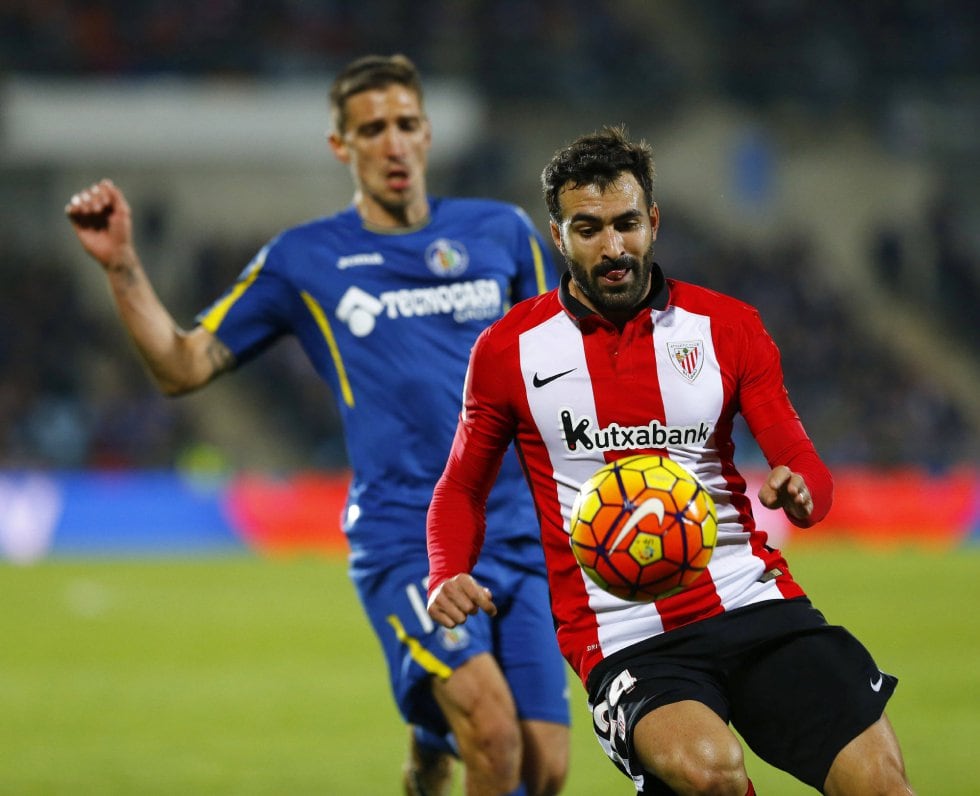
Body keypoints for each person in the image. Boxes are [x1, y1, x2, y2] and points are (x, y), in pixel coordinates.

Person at [65, 54, 570, 796]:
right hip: (408, 535)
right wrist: (122, 268)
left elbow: (557, 367)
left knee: (546, 768)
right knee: (492, 735)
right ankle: (447, 719)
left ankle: (431, 730)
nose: (392, 143)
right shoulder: (307, 259)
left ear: (428, 134)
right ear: (342, 147)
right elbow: (184, 365)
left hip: (515, 531)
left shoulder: (503, 232)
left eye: (405, 124)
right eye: (372, 129)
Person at [426, 126, 915, 796]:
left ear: (652, 221)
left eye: (626, 223)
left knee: (882, 782)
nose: (613, 246)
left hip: (752, 599)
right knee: (709, 771)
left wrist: (803, 489)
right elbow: (460, 487)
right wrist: (446, 571)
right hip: (624, 633)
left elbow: (803, 464)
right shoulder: (509, 349)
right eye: (589, 228)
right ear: (557, 234)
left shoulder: (728, 327)